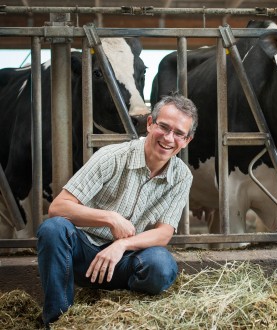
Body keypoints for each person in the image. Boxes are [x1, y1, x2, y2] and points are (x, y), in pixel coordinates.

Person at [36, 92, 198, 326]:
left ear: (187, 141)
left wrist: (122, 245)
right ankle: (58, 320)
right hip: (83, 256)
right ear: (150, 124)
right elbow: (59, 207)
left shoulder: (182, 176)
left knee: (161, 265)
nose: (169, 138)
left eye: (179, 133)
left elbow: (164, 233)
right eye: (164, 127)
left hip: (123, 261)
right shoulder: (112, 156)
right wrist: (110, 218)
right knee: (54, 229)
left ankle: (125, 312)